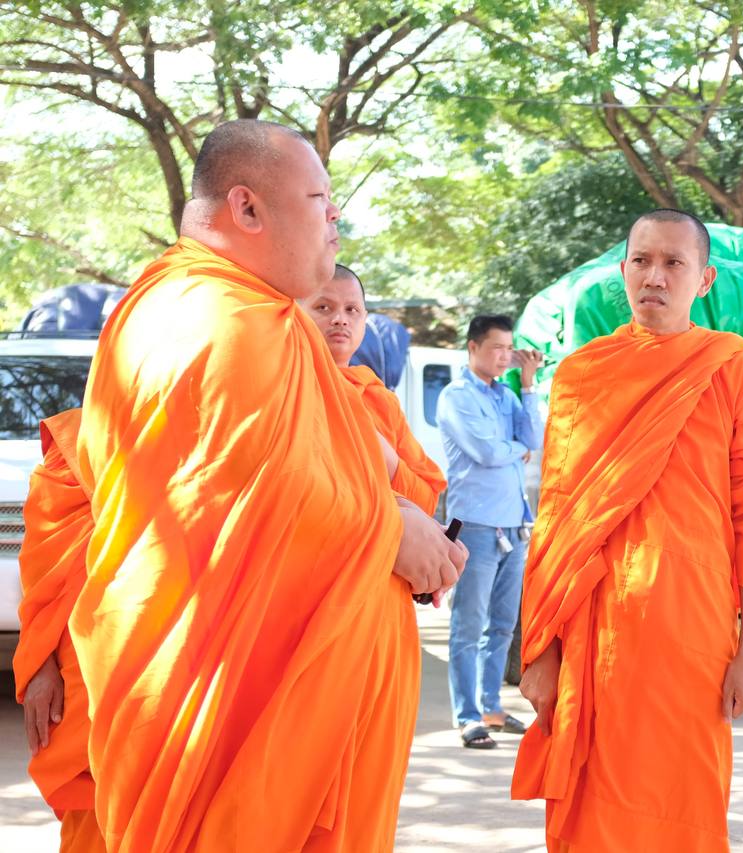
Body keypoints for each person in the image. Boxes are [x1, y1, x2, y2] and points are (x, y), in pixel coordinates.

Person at [72, 118, 466, 852]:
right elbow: (263, 499)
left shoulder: (253, 318)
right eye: (321, 198)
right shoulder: (219, 321)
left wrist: (398, 502)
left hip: (291, 697)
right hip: (235, 708)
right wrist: (395, 531)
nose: (335, 219)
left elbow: (315, 459)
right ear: (248, 209)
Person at [511, 209, 743, 852]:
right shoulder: (581, 375)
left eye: (673, 263)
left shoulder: (731, 367)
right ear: (623, 270)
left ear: (704, 279)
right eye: (641, 261)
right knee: (593, 805)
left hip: (690, 630)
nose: (654, 277)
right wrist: (541, 650)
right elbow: (556, 514)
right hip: (595, 628)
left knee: (680, 800)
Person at [436, 315, 544, 748]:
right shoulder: (455, 397)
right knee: (469, 624)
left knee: (501, 625)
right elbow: (485, 451)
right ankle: (468, 716)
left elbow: (535, 436)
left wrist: (530, 382)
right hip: (476, 526)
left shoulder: (509, 396)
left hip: (514, 525)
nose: (504, 356)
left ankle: (491, 708)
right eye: (497, 348)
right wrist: (518, 450)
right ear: (473, 347)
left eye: (509, 349)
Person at [14, 408, 105, 852]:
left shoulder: (200, 437)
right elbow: (41, 573)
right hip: (83, 673)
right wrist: (40, 666)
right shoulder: (74, 447)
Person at [299, 263, 447, 515]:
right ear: (296, 313)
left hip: (378, 547)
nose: (340, 319)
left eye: (352, 310)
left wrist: (370, 439)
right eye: (323, 307)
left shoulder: (378, 398)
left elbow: (426, 499)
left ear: (364, 320)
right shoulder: (286, 384)